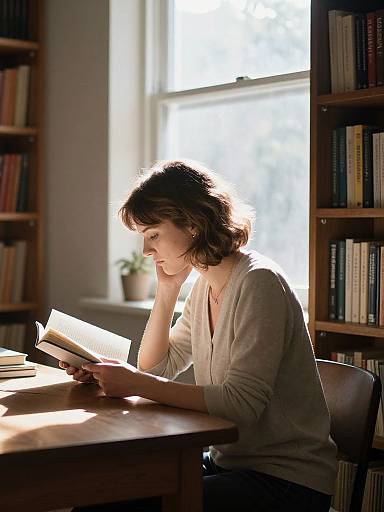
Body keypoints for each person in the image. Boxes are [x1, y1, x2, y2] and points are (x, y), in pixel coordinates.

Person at [62, 160, 337, 512]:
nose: (146, 251)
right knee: (101, 494)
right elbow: (158, 367)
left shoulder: (259, 282)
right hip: (230, 463)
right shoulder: (205, 287)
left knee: (122, 506)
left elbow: (241, 405)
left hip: (286, 480)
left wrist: (135, 383)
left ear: (192, 223)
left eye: (153, 235)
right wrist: (167, 290)